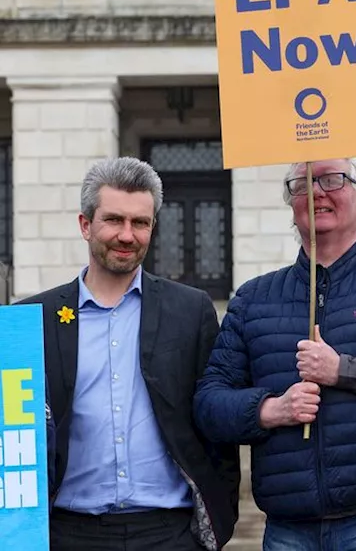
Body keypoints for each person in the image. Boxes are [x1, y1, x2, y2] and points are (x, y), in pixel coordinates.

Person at [194, 158, 356, 550]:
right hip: (288, 529)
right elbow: (209, 404)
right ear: (291, 203)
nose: (317, 191)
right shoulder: (254, 299)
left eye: (332, 179)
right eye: (302, 183)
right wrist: (271, 410)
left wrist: (344, 372)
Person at [20, 157, 239, 550]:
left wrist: (217, 527)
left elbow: (214, 421)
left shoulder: (191, 311)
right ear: (85, 225)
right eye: (114, 220)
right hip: (67, 534)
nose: (127, 235)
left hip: (169, 535)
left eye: (140, 223)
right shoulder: (31, 320)